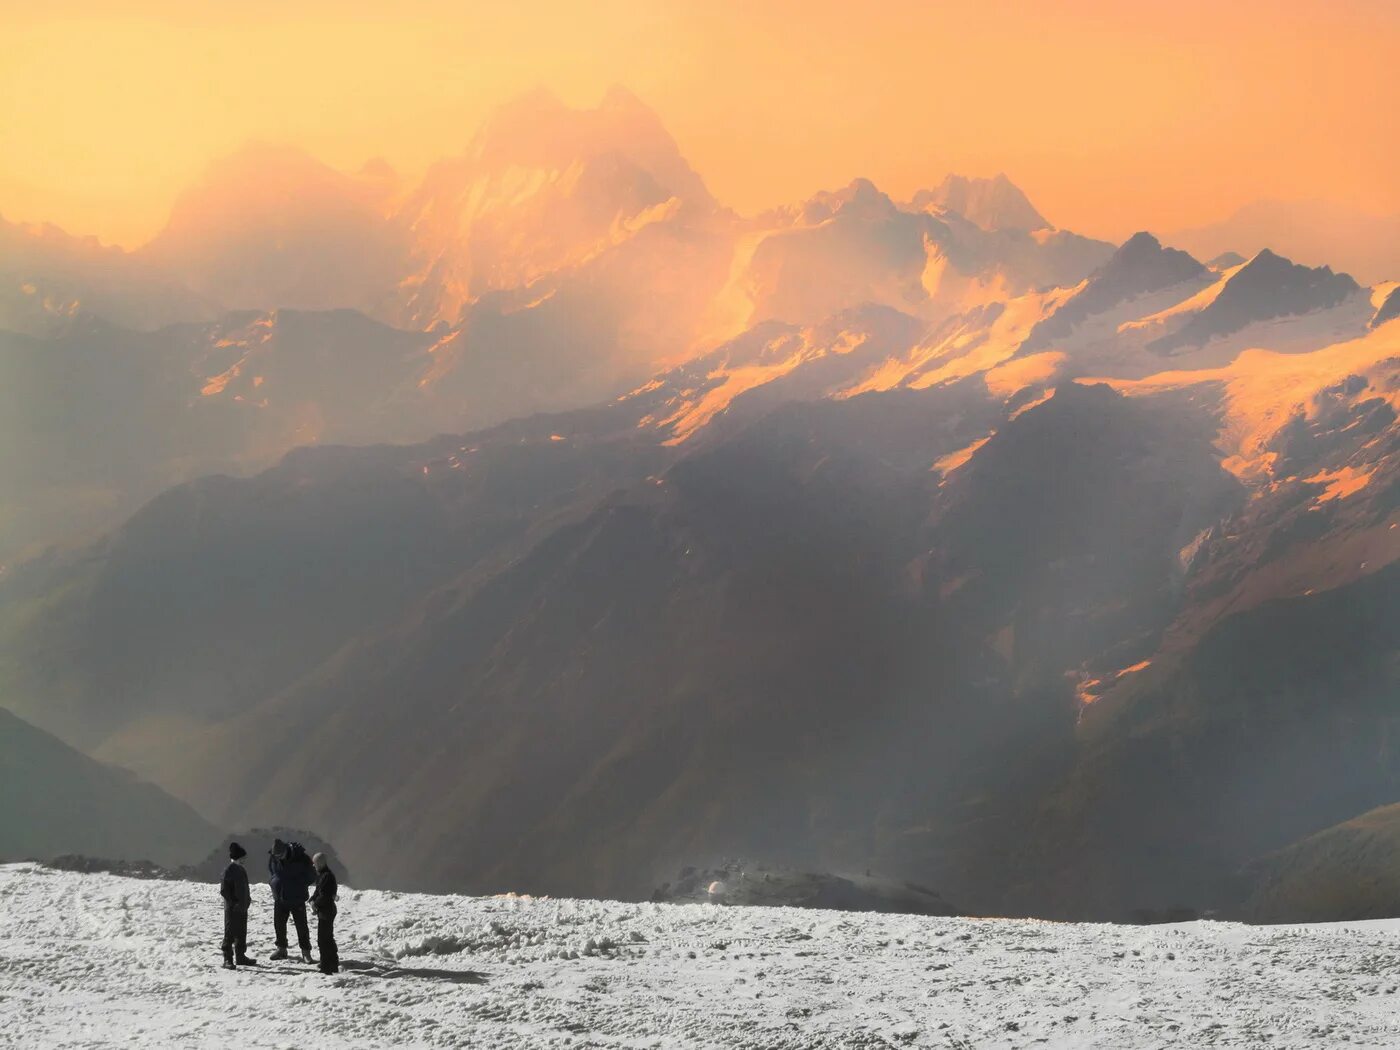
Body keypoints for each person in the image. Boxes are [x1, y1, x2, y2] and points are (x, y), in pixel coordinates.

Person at [267, 838, 315, 962]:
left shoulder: (301, 858)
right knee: (279, 925)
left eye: (280, 855)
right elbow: (272, 870)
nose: (279, 858)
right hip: (280, 897)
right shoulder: (274, 857)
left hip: (296, 897)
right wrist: (274, 882)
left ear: (286, 850)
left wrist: (298, 884)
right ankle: (281, 949)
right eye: (276, 855)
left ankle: (306, 953)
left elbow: (311, 875)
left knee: (301, 926)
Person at [219, 842, 256, 969]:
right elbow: (224, 890)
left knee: (241, 932)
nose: (244, 860)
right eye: (243, 858)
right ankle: (227, 958)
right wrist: (233, 902)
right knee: (229, 933)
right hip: (232, 909)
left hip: (242, 907)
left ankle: (240, 956)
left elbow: (245, 887)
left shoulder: (241, 870)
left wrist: (247, 900)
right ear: (238, 858)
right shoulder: (228, 871)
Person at [310, 852, 340, 975]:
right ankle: (332, 962)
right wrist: (312, 900)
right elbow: (319, 892)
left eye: (315, 863)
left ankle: (326, 965)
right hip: (326, 910)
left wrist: (315, 904)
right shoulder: (325, 875)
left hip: (326, 911)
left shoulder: (326, 877)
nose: (314, 866)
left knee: (323, 939)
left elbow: (324, 895)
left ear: (320, 864)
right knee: (327, 937)